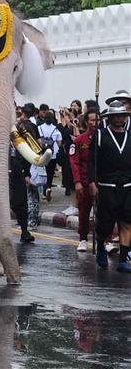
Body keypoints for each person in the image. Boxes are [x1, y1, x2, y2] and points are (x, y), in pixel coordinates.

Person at [89, 100, 131, 272]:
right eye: (116, 116)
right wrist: (92, 182)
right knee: (105, 225)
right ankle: (100, 246)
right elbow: (92, 162)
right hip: (107, 186)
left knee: (127, 223)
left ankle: (122, 261)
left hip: (128, 186)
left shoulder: (130, 135)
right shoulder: (100, 135)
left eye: (122, 115)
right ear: (110, 117)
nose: (119, 119)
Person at [70, 110, 99, 251]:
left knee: (104, 212)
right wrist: (77, 182)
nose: (95, 123)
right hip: (84, 181)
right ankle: (82, 239)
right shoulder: (79, 140)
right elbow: (74, 162)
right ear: (87, 122)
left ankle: (106, 240)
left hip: (100, 181)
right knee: (84, 212)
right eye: (92, 120)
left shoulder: (103, 138)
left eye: (97, 120)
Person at [17, 103, 42, 234]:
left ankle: (30, 220)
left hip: (24, 161)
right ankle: (34, 219)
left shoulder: (20, 127)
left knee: (26, 194)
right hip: (35, 160)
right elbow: (40, 142)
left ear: (24, 114)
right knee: (33, 193)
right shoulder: (35, 126)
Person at [37, 110, 62, 200]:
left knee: (42, 172)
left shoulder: (39, 128)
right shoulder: (56, 129)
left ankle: (43, 191)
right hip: (53, 154)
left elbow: (38, 140)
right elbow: (59, 143)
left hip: (42, 154)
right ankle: (48, 188)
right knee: (50, 173)